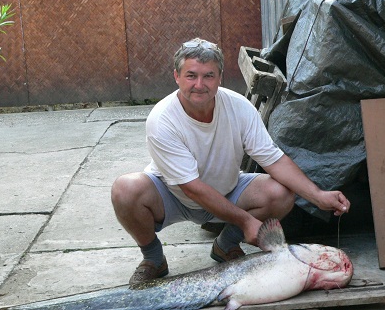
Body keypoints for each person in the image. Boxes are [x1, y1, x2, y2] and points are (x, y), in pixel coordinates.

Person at [111, 38, 350, 284]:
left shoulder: (239, 107)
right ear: (177, 76)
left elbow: (272, 158)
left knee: (280, 192)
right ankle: (153, 258)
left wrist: (318, 195)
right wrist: (247, 221)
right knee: (125, 189)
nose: (199, 85)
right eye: (191, 76)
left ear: (220, 77)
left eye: (209, 76)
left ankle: (225, 245)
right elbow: (191, 187)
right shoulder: (162, 119)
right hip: (172, 195)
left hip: (227, 189)